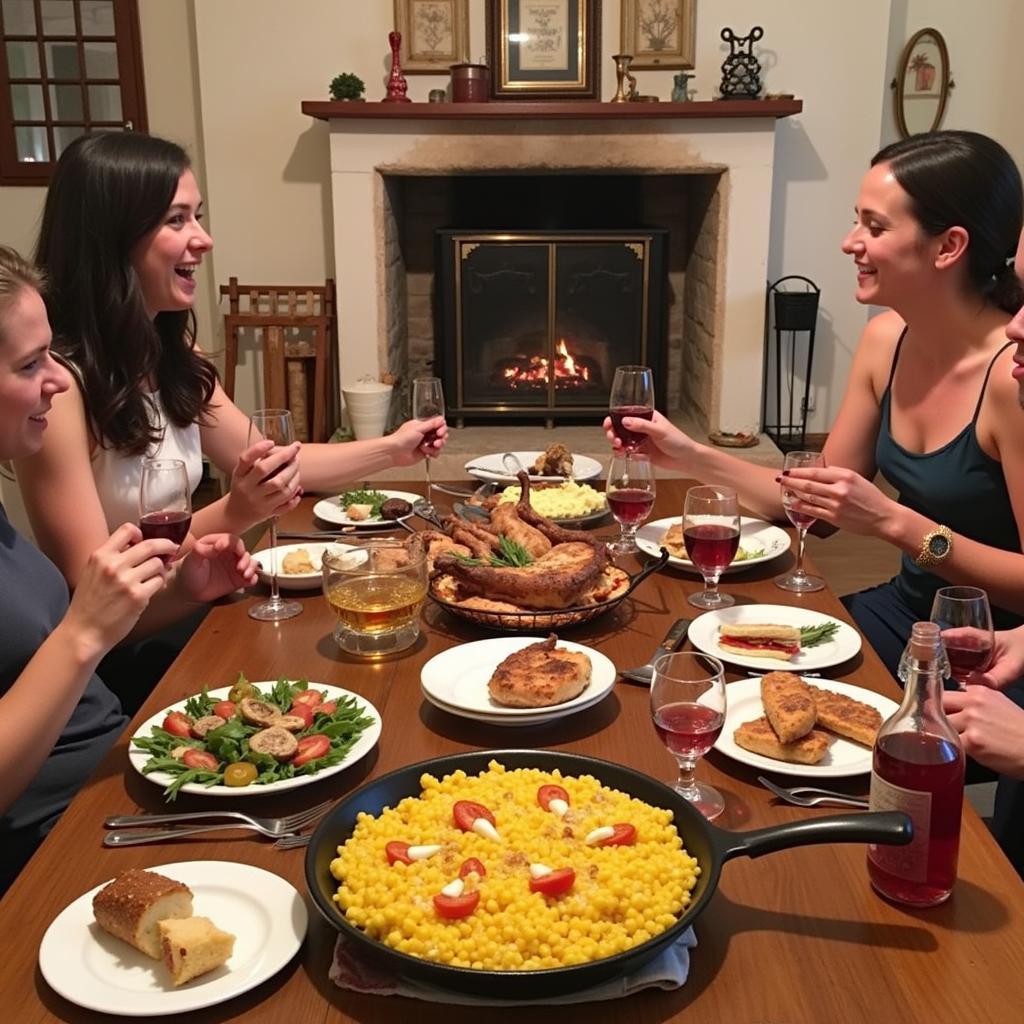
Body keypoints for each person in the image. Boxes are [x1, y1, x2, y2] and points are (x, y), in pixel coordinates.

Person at [607, 130, 1024, 675]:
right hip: (905, 614)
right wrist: (684, 454)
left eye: (875, 227)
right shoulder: (885, 343)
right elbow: (812, 508)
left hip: (991, 646)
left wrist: (895, 524)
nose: (851, 242)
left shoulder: (1012, 377)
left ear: (948, 246)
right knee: (707, 668)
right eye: (857, 220)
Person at [14, 131, 447, 592]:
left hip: (199, 600)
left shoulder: (174, 356)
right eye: (176, 220)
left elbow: (276, 464)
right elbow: (91, 590)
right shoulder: (54, 387)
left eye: (197, 217)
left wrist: (393, 449)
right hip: (133, 648)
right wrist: (238, 511)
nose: (204, 239)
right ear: (113, 237)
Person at [0, 245, 257, 892]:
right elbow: (76, 643)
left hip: (119, 767)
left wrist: (185, 589)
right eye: (30, 365)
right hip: (57, 837)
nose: (59, 381)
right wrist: (82, 633)